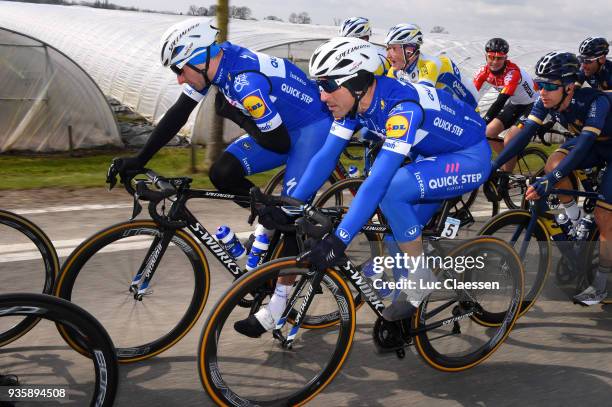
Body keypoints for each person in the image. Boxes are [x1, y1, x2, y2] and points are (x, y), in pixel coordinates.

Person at [235, 37, 490, 336]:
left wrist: (340, 240)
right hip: (433, 154)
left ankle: (421, 279)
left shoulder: (401, 109)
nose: (321, 95)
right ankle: (405, 312)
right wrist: (291, 204)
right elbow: (324, 158)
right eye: (320, 85)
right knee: (397, 233)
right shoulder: (356, 106)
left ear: (357, 83)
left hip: (468, 156)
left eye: (328, 85)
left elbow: (378, 183)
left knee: (392, 191)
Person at [108, 17, 333, 204]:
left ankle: (300, 239)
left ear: (199, 60)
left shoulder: (245, 85)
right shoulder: (217, 63)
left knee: (290, 214)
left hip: (311, 128)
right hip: (281, 129)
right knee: (223, 173)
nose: (179, 79)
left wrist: (235, 116)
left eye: (180, 70)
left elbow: (279, 144)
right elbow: (178, 113)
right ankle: (270, 224)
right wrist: (140, 159)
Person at [492, 51, 612, 306]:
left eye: (548, 85)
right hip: (596, 143)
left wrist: (550, 181)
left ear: (569, 87)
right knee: (552, 163)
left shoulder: (595, 102)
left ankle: (602, 283)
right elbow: (523, 137)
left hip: (600, 144)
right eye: (538, 84)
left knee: (604, 216)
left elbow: (583, 145)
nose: (541, 91)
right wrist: (494, 167)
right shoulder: (546, 101)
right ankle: (575, 219)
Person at [473, 38, 538, 171]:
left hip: (532, 105)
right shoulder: (483, 72)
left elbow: (501, 100)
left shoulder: (512, 73)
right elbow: (471, 95)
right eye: (491, 57)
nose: (495, 62)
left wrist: (485, 120)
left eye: (499, 58)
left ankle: (505, 179)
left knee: (509, 140)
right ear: (486, 56)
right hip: (515, 103)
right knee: (487, 132)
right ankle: (505, 163)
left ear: (505, 58)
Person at [384, 23, 479, 108]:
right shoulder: (394, 71)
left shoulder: (430, 64)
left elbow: (422, 98)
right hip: (446, 110)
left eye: (393, 49)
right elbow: (385, 97)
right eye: (387, 49)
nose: (388, 55)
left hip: (469, 109)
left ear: (409, 50)